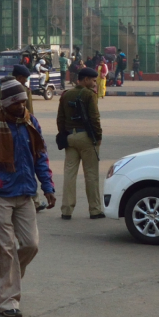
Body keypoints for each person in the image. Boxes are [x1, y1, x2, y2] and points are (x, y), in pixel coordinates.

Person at [0, 79, 56, 317]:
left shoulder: (30, 122)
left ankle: (10, 276)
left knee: (31, 244)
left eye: (24, 102)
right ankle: (8, 301)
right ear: (6, 104)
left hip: (26, 193)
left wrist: (48, 186)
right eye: (17, 103)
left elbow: (40, 156)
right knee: (6, 248)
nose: (22, 106)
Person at [55, 67, 104, 219]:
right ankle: (95, 210)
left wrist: (64, 135)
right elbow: (95, 118)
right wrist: (98, 137)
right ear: (85, 80)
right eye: (93, 80)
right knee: (91, 174)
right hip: (86, 138)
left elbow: (60, 118)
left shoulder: (66, 94)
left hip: (70, 137)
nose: (94, 83)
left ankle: (66, 210)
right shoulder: (89, 95)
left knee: (69, 174)